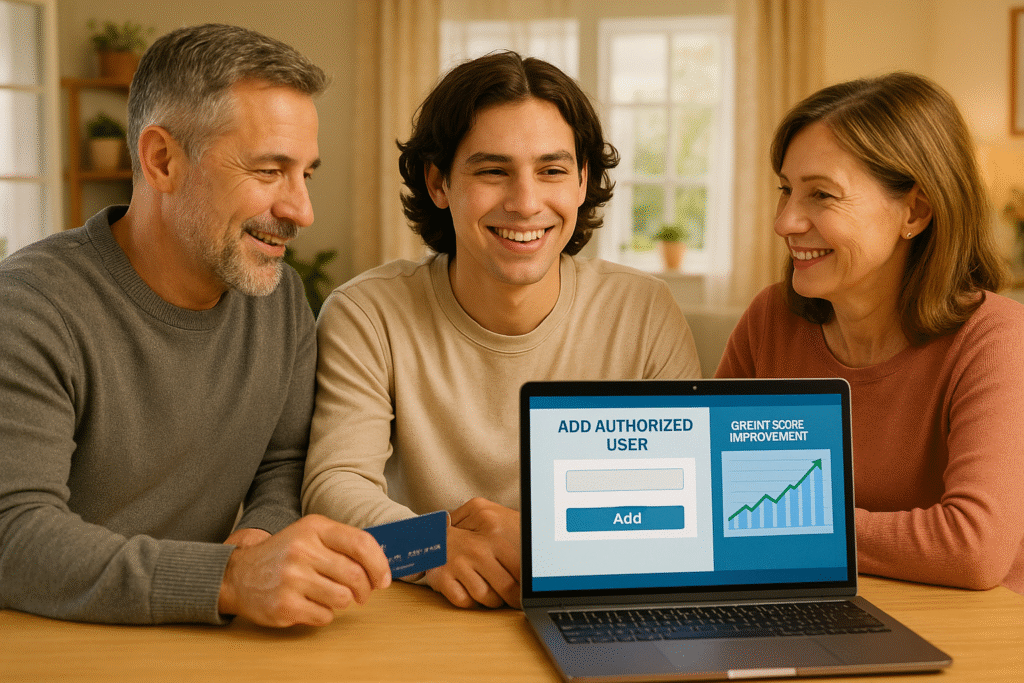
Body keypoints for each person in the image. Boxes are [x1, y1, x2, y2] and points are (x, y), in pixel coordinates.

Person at [0, 24, 391, 627]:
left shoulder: (280, 299)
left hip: (192, 641)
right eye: (268, 171)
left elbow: (284, 462)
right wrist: (226, 579)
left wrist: (259, 537)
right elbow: (14, 537)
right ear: (162, 161)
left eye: (305, 173)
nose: (302, 210)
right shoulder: (30, 309)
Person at [302, 51, 701, 610]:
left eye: (552, 170)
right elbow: (333, 487)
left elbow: (680, 507)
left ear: (583, 181)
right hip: (419, 615)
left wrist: (539, 547)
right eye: (493, 171)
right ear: (438, 183)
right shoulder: (366, 313)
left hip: (592, 609)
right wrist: (431, 547)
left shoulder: (644, 310)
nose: (525, 202)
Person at [716, 72, 1024, 593]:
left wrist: (774, 526)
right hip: (807, 608)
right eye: (787, 190)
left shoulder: (995, 339)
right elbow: (711, 496)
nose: (785, 221)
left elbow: (973, 548)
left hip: (971, 634)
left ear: (916, 211)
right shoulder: (771, 320)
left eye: (822, 195)